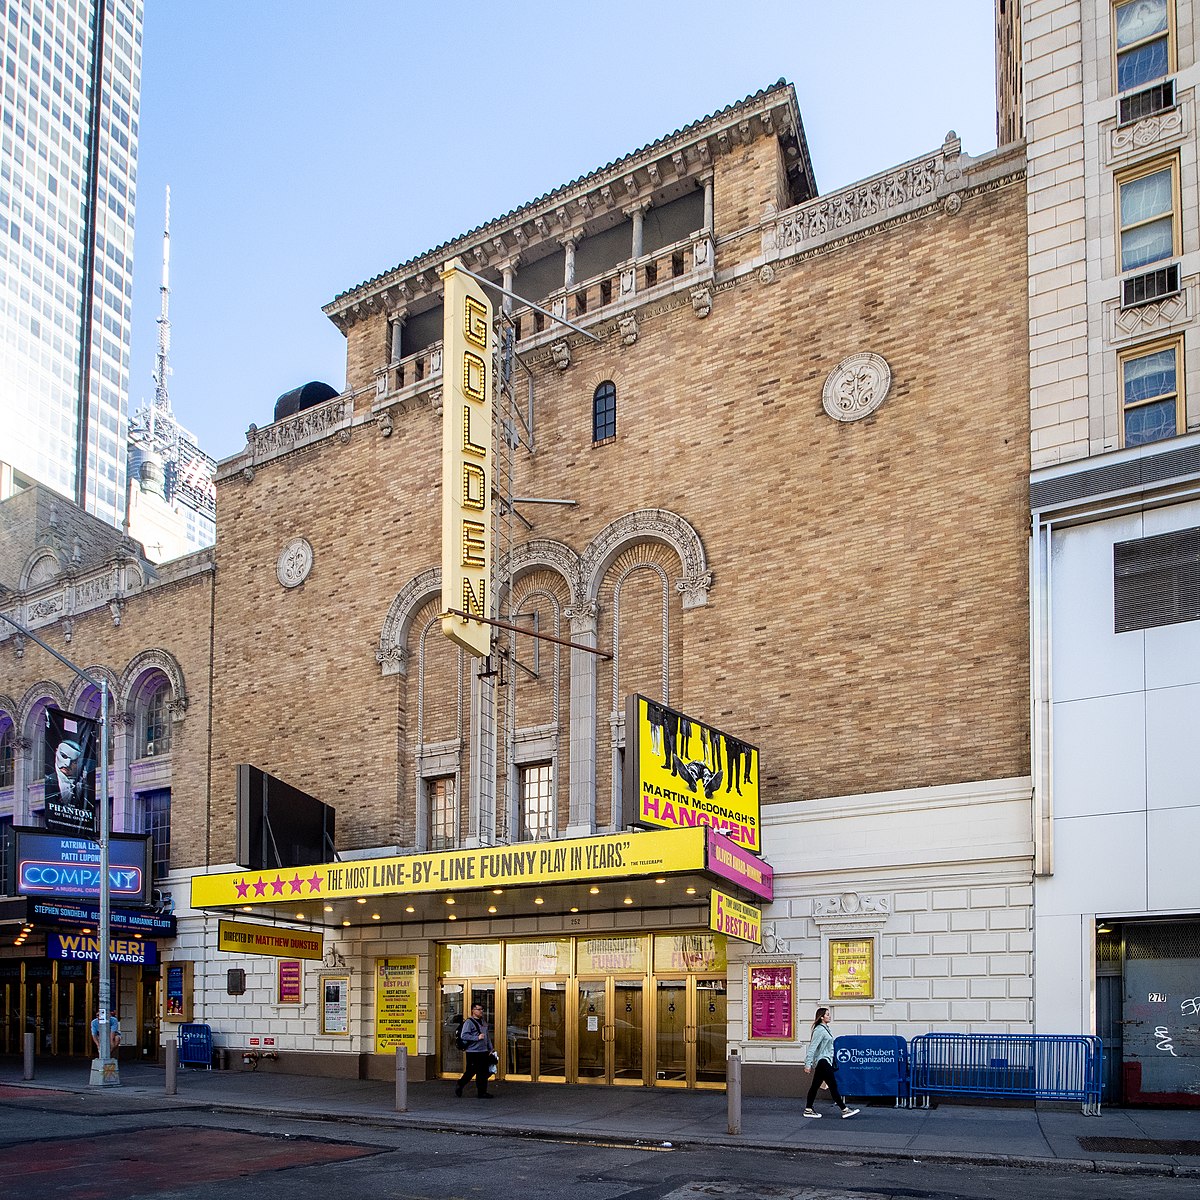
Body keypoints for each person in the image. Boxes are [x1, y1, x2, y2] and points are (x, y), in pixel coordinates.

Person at [803, 1006, 858, 1118]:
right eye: (827, 1014)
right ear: (822, 1017)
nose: (829, 1016)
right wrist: (807, 1063)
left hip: (825, 1061)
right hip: (822, 1061)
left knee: (815, 1086)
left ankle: (808, 1109)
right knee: (832, 1085)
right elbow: (812, 1047)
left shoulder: (825, 1029)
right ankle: (844, 1109)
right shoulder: (819, 1030)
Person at [454, 1002, 496, 1099]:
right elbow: (464, 1035)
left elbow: (487, 1036)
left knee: (483, 1072)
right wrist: (477, 1037)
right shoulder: (469, 1022)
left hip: (483, 1051)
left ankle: (482, 1092)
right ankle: (460, 1084)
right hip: (473, 1052)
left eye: (482, 1009)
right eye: (479, 1009)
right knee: (471, 1071)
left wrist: (490, 1048)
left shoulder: (483, 1022)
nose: (481, 1011)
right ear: (473, 1010)